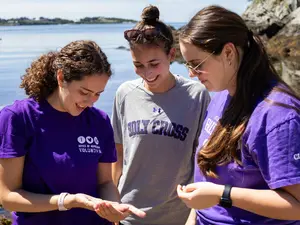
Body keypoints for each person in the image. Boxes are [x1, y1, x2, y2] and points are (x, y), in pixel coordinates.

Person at [176, 5, 300, 225]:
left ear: (228, 53)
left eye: (197, 64)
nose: (191, 74)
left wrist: (222, 194)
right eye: (187, 64)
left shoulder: (277, 116)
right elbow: (205, 180)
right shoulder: (222, 96)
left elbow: (296, 205)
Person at [0, 40, 145, 225]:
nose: (91, 101)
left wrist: (113, 206)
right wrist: (68, 201)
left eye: (98, 93)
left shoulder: (99, 121)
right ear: (61, 78)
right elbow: (8, 196)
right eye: (84, 92)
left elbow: (105, 183)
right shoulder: (18, 118)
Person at [111, 5, 210, 225]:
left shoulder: (196, 95)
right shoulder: (124, 93)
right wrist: (113, 204)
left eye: (154, 64)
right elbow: (117, 155)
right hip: (129, 214)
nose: (147, 73)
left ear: (172, 54)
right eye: (138, 65)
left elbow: (203, 159)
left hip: (179, 215)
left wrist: (195, 215)